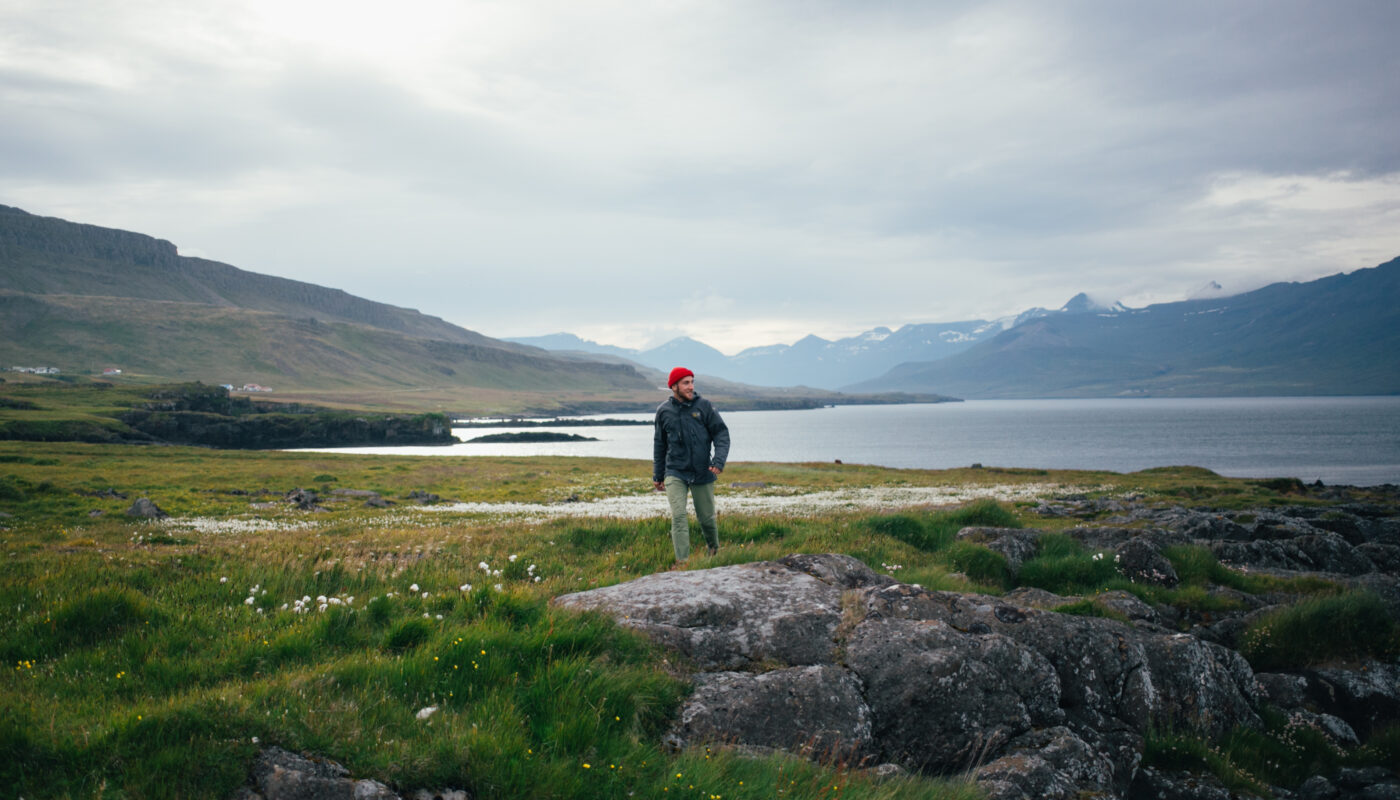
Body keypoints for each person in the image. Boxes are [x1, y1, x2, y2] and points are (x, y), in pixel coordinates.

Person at [653, 366, 730, 562]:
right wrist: (658, 475)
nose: (691, 387)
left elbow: (721, 434)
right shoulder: (663, 412)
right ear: (674, 386)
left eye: (692, 382)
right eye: (686, 383)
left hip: (702, 471)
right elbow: (660, 444)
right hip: (675, 472)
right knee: (678, 515)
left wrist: (718, 461)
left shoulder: (704, 406)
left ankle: (714, 551)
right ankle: (682, 563)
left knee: (706, 519)